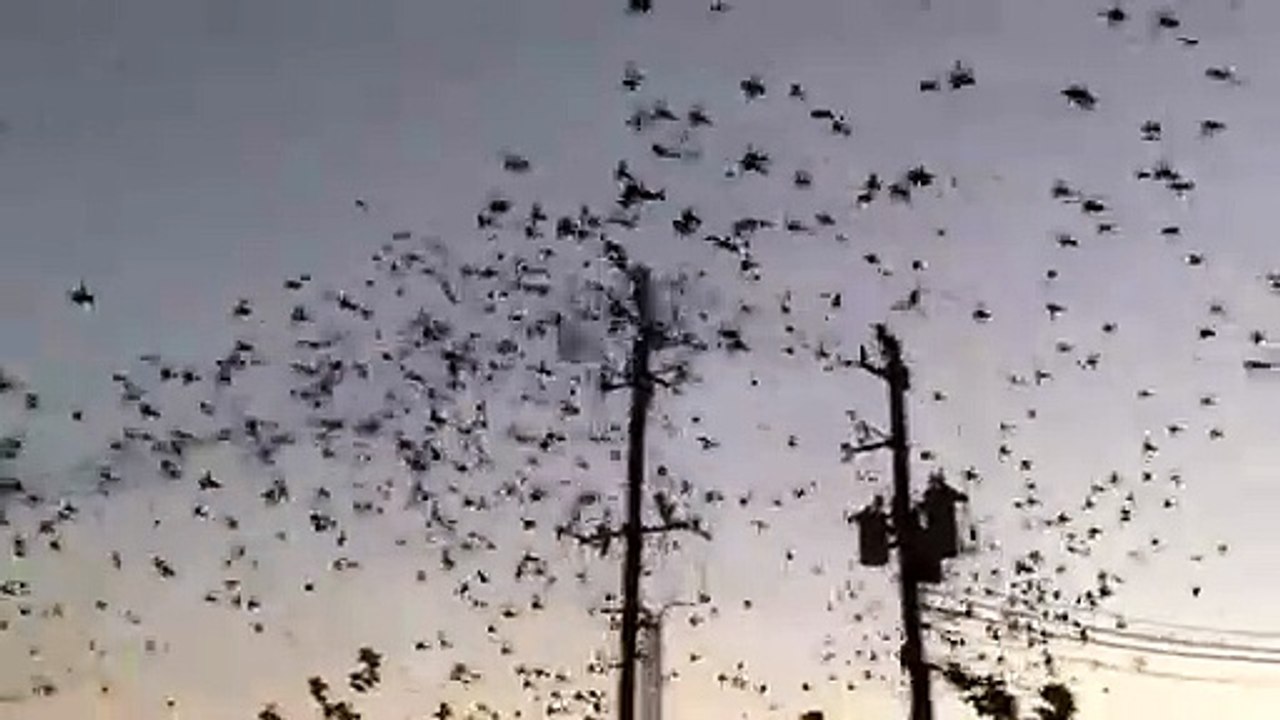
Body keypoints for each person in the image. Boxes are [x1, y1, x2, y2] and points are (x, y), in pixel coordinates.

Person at [921, 472, 968, 560]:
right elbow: (925, 505)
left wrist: (962, 497)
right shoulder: (929, 494)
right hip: (935, 522)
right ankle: (940, 552)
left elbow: (958, 496)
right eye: (933, 482)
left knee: (947, 537)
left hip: (946, 522)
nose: (935, 485)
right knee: (937, 537)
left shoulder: (947, 492)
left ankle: (949, 552)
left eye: (937, 482)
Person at [854, 495, 891, 567]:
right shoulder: (866, 515)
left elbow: (889, 529)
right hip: (869, 554)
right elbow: (854, 518)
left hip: (878, 556)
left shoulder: (881, 518)